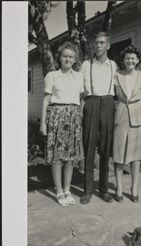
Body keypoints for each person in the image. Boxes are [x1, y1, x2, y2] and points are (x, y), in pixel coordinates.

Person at [40, 42, 84, 206]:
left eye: (71, 56)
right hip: (56, 118)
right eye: (65, 56)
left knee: (70, 158)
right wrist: (43, 123)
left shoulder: (79, 76)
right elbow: (45, 100)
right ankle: (58, 190)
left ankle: (67, 189)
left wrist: (79, 117)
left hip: (73, 118)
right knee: (57, 157)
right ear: (59, 57)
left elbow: (81, 99)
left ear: (75, 59)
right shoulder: (52, 76)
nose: (67, 59)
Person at [80, 32, 117, 204]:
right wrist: (83, 100)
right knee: (89, 146)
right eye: (96, 43)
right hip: (92, 102)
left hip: (109, 103)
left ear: (108, 45)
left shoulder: (114, 65)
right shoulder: (86, 65)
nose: (98, 46)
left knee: (105, 148)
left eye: (102, 43)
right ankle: (87, 190)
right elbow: (79, 88)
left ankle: (103, 190)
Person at [113, 45, 141, 202]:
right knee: (118, 155)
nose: (130, 60)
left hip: (138, 119)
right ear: (123, 60)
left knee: (136, 157)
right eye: (127, 58)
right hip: (120, 117)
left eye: (132, 58)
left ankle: (134, 188)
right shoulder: (117, 76)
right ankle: (119, 188)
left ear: (137, 60)